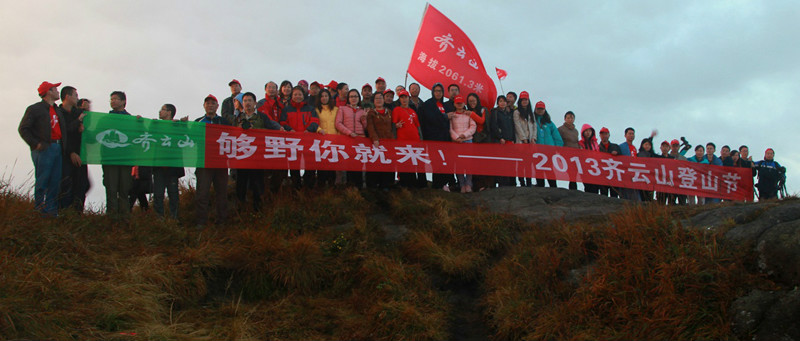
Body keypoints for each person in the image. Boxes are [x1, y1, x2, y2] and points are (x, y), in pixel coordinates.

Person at [19, 81, 67, 216]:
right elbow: (23, 129)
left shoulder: (57, 110)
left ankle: (51, 212)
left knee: (55, 181)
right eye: (55, 89)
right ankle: (39, 210)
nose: (58, 91)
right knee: (43, 179)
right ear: (48, 92)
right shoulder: (35, 109)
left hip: (57, 147)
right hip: (44, 148)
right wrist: (35, 144)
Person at [194, 94, 231, 226]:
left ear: (217, 106)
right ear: (204, 106)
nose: (210, 105)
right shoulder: (197, 122)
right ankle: (201, 222)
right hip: (203, 162)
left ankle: (222, 221)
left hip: (221, 163)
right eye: (207, 103)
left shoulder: (224, 122)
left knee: (222, 194)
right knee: (202, 194)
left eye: (213, 103)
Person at [100, 91, 135, 220]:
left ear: (123, 102)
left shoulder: (131, 119)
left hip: (125, 159)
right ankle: (112, 218)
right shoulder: (105, 119)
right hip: (109, 159)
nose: (112, 101)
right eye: (111, 99)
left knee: (124, 190)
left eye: (115, 99)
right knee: (111, 189)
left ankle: (125, 218)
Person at [279, 87, 319, 189]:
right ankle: (296, 189)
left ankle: (308, 188)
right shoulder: (287, 109)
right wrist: (289, 129)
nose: (297, 96)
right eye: (295, 94)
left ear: (303, 96)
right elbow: (283, 122)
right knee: (294, 166)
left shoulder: (310, 109)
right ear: (292, 96)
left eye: (299, 94)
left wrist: (309, 129)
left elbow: (315, 121)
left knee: (310, 165)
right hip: (293, 142)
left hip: (308, 142)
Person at [57, 86, 89, 212]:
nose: (77, 97)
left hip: (81, 155)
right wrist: (71, 152)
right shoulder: (58, 113)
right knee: (66, 185)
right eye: (75, 95)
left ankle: (77, 214)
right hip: (65, 155)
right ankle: (64, 213)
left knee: (82, 185)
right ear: (67, 96)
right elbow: (63, 132)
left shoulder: (78, 113)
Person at [152, 104, 185, 219]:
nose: (160, 111)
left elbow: (186, 137)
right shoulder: (156, 126)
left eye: (162, 109)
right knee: (158, 194)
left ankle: (174, 219)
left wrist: (183, 125)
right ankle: (159, 219)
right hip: (159, 166)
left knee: (173, 195)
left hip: (173, 167)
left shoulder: (177, 126)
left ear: (169, 112)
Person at [420, 83, 455, 190]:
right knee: (436, 161)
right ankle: (437, 185)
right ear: (432, 92)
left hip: (445, 138)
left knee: (445, 161)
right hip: (433, 138)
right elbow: (430, 118)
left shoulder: (444, 105)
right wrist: (444, 116)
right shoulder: (428, 104)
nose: (438, 93)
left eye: (440, 91)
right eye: (436, 91)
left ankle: (445, 184)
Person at [393, 89, 424, 188]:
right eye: (402, 97)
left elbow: (418, 126)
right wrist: (395, 127)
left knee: (414, 162)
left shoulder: (412, 111)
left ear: (408, 98)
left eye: (405, 97)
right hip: (402, 141)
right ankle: (404, 183)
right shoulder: (397, 110)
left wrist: (421, 139)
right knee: (404, 162)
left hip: (415, 141)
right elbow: (393, 125)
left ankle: (414, 183)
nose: (404, 99)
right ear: (399, 99)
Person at [366, 90, 396, 189]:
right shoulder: (371, 112)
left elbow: (393, 126)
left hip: (388, 142)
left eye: (380, 98)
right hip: (376, 143)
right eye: (376, 98)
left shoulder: (390, 112)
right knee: (376, 163)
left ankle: (386, 185)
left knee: (387, 163)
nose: (379, 100)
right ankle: (374, 186)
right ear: (373, 101)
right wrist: (374, 138)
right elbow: (370, 127)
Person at [449, 96, 477, 193]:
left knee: (469, 164)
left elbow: (473, 127)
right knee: (458, 164)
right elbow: (450, 128)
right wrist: (457, 137)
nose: (459, 104)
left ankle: (468, 184)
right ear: (454, 104)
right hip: (456, 142)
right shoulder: (452, 115)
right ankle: (461, 184)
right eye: (457, 103)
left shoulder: (468, 114)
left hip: (468, 140)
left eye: (461, 102)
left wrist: (464, 135)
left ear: (464, 103)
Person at [533, 101, 563, 188]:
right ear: (535, 109)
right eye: (538, 109)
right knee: (538, 170)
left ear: (545, 110)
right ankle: (540, 187)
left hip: (549, 151)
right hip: (537, 151)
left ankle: (553, 188)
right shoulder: (532, 120)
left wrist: (558, 149)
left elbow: (556, 136)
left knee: (550, 170)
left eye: (542, 109)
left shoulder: (549, 122)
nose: (540, 110)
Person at [466, 92, 492, 190]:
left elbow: (482, 121)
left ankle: (488, 184)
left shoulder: (483, 109)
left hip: (485, 140)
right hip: (473, 140)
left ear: (477, 100)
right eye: (469, 101)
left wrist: (471, 114)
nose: (472, 102)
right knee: (475, 164)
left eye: (473, 100)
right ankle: (477, 185)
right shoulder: (467, 111)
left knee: (486, 163)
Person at [315, 89, 339, 187]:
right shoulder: (316, 110)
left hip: (334, 141)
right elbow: (313, 123)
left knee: (332, 166)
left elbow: (339, 124)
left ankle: (332, 188)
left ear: (330, 97)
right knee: (322, 165)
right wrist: (319, 129)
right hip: (321, 141)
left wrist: (339, 137)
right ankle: (321, 188)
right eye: (322, 96)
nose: (324, 98)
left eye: (326, 96)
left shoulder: (336, 109)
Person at [490, 95, 515, 187]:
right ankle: (500, 182)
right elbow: (494, 126)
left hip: (509, 141)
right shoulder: (495, 112)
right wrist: (500, 137)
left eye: (504, 101)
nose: (502, 103)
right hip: (499, 142)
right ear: (497, 103)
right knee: (500, 163)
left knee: (508, 163)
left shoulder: (509, 113)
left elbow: (512, 127)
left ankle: (508, 183)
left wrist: (513, 139)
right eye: (500, 101)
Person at [513, 91, 536, 187]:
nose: (524, 101)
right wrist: (523, 138)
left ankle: (529, 182)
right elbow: (517, 125)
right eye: (523, 99)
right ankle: (522, 182)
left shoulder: (531, 113)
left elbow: (534, 126)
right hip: (521, 141)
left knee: (529, 163)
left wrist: (533, 138)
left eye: (526, 99)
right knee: (521, 163)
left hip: (530, 142)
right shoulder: (517, 112)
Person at [558, 111, 580, 190]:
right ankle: (572, 188)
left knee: (575, 172)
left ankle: (573, 188)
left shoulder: (576, 131)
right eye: (568, 118)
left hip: (576, 154)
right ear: (565, 119)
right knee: (570, 172)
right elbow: (558, 141)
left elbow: (577, 141)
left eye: (572, 118)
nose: (570, 119)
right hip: (566, 153)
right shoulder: (561, 129)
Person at [597, 127, 621, 198]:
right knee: (603, 196)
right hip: (602, 174)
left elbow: (622, 158)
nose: (604, 136)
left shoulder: (615, 146)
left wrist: (617, 153)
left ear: (609, 135)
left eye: (606, 134)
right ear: (600, 136)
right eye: (602, 134)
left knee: (614, 196)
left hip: (614, 175)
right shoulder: (597, 148)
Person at [579, 124, 600, 194]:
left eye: (589, 131)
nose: (588, 132)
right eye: (586, 131)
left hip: (595, 168)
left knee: (596, 187)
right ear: (583, 132)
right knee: (588, 187)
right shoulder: (580, 143)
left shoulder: (595, 143)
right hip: (585, 168)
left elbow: (598, 154)